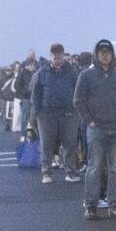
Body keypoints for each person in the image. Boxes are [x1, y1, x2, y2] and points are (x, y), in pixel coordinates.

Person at [74, 39, 116, 220]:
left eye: (107, 52)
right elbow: (78, 100)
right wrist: (89, 120)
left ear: (112, 54)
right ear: (96, 54)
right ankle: (90, 205)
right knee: (94, 167)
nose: (104, 55)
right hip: (96, 129)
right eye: (101, 52)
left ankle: (115, 204)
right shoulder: (86, 75)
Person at [32, 44, 81, 184]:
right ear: (50, 56)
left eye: (59, 56)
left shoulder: (72, 71)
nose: (57, 58)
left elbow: (78, 91)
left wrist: (76, 110)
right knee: (46, 145)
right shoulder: (41, 72)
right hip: (47, 115)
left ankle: (70, 172)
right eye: (54, 56)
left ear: (63, 55)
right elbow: (35, 94)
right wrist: (37, 114)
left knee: (69, 144)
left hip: (68, 114)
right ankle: (46, 173)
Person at [13, 55, 39, 134]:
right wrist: (24, 91)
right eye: (31, 65)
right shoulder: (22, 73)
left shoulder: (37, 74)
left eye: (34, 65)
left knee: (32, 118)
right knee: (25, 117)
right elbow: (16, 85)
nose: (33, 67)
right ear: (27, 66)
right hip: (25, 99)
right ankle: (23, 134)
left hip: (34, 99)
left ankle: (31, 134)